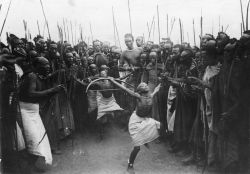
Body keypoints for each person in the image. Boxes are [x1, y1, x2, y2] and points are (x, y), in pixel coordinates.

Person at [18, 57, 65, 170]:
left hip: (33, 111)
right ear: (37, 66)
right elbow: (31, 94)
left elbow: (41, 95)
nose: (48, 67)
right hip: (25, 111)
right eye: (45, 65)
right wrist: (52, 91)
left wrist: (54, 91)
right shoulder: (31, 76)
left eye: (49, 64)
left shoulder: (38, 76)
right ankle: (28, 167)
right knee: (32, 139)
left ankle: (32, 166)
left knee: (38, 139)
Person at [108, 79, 161, 174]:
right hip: (135, 121)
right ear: (141, 91)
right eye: (144, 86)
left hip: (145, 120)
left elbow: (157, 88)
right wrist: (112, 81)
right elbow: (124, 89)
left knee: (158, 125)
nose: (146, 87)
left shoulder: (151, 95)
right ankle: (130, 165)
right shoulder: (138, 96)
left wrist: (162, 81)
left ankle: (145, 140)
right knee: (137, 148)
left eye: (146, 86)